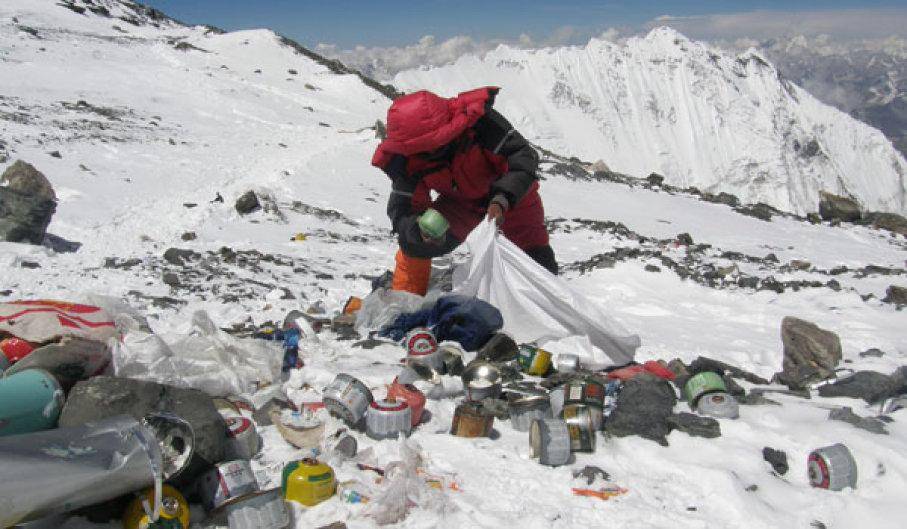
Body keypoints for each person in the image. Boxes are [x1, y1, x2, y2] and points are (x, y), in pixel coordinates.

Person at [371, 86, 558, 296]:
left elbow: (522, 159)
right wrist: (417, 231)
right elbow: (404, 209)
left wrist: (502, 199)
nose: (430, 153)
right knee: (413, 246)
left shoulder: (479, 124)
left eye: (434, 145)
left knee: (536, 260)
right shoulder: (409, 159)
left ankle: (548, 306)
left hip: (511, 197)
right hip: (460, 205)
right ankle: (406, 301)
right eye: (422, 149)